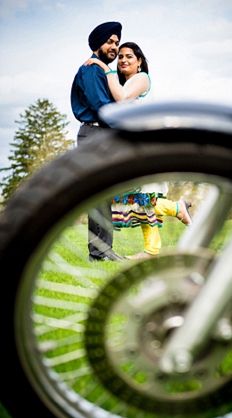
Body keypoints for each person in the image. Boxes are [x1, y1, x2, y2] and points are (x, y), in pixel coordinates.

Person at [85, 42, 192, 259]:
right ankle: (153, 247)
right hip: (130, 145)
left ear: (139, 61)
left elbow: (122, 97)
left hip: (144, 145)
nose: (123, 60)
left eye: (129, 56)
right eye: (120, 57)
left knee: (142, 198)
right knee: (139, 197)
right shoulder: (124, 81)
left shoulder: (142, 79)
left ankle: (175, 210)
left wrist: (102, 65)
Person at [71, 21, 123, 262]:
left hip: (103, 134)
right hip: (95, 134)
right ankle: (99, 252)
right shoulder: (91, 70)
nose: (114, 46)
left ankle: (104, 251)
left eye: (116, 42)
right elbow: (102, 107)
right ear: (97, 44)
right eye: (109, 41)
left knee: (104, 195)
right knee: (97, 196)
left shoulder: (102, 69)